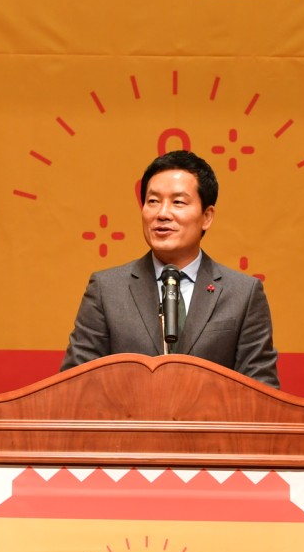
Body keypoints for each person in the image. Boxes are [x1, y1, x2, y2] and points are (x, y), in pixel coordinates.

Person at [61, 149, 279, 387]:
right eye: (153, 201)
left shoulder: (243, 294)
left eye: (178, 202)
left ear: (207, 216)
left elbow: (262, 390)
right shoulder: (106, 289)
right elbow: (75, 386)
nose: (162, 214)